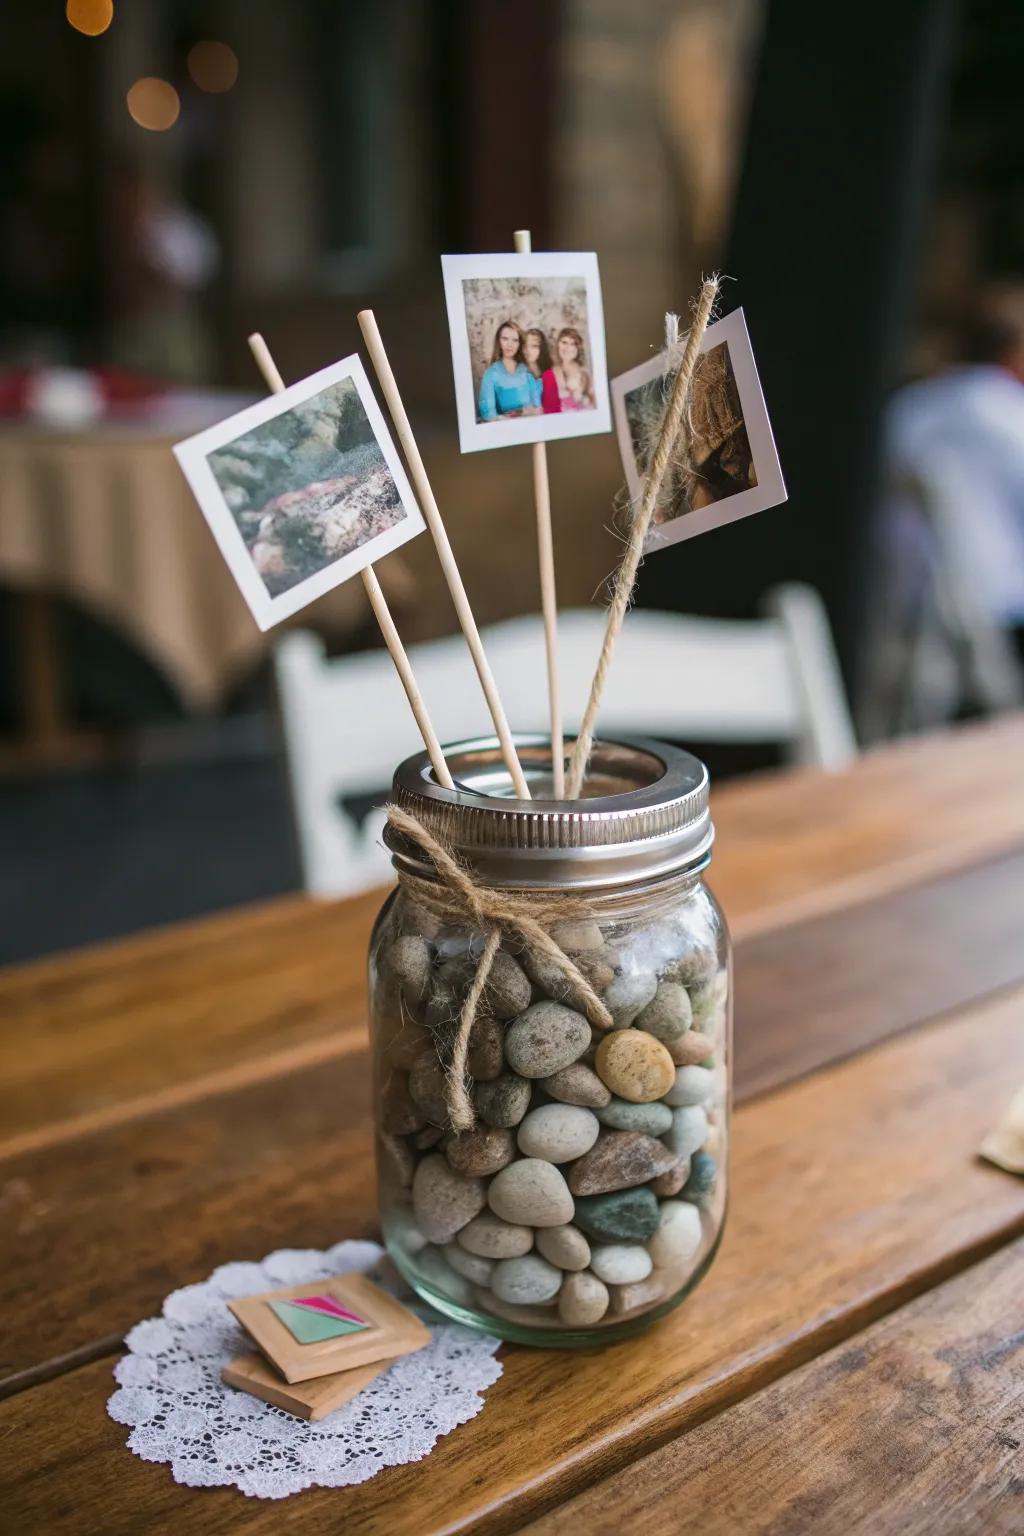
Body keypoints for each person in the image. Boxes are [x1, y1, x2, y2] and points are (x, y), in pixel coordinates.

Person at [477, 321, 540, 420]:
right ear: (499, 341)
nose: (510, 344)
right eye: (505, 339)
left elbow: (538, 406)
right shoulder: (491, 374)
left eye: (515, 340)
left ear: (520, 344)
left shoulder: (526, 370)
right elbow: (488, 413)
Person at [541, 327, 595, 413]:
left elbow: (595, 403)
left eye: (573, 344)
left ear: (578, 348)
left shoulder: (585, 373)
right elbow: (548, 408)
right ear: (558, 344)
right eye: (564, 342)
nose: (567, 347)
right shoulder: (549, 375)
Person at [522, 327, 552, 401]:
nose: (528, 350)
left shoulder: (551, 372)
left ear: (542, 348)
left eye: (534, 346)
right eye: (525, 346)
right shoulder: (517, 372)